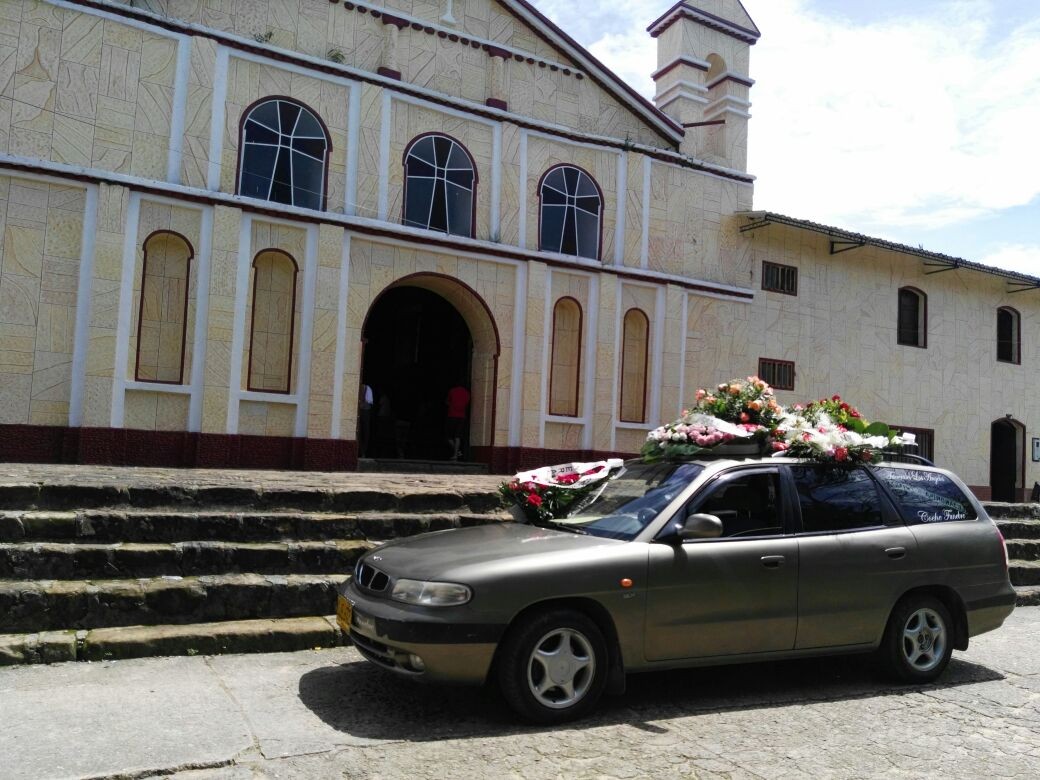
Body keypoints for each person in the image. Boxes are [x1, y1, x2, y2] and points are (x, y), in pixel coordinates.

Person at [445, 381, 471, 461]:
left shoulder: (452, 391)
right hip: (462, 416)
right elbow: (467, 404)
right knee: (457, 436)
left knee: (448, 437)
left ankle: (457, 452)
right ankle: (456, 454)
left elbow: (447, 402)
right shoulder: (467, 393)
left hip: (452, 415)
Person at [357, 381, 373, 458]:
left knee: (365, 431)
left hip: (365, 412)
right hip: (360, 412)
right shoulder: (358, 387)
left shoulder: (367, 388)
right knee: (359, 431)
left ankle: (363, 452)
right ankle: (360, 451)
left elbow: (369, 402)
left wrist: (362, 404)